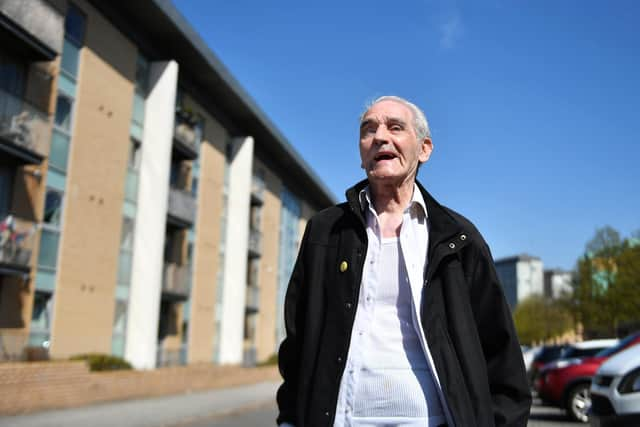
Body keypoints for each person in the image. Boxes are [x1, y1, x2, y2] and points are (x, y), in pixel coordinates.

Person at [276, 95, 531, 427]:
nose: (380, 137)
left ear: (424, 149)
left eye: (395, 127)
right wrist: (290, 420)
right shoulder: (326, 232)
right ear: (361, 152)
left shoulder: (459, 238)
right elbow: (298, 342)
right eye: (369, 130)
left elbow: (500, 353)